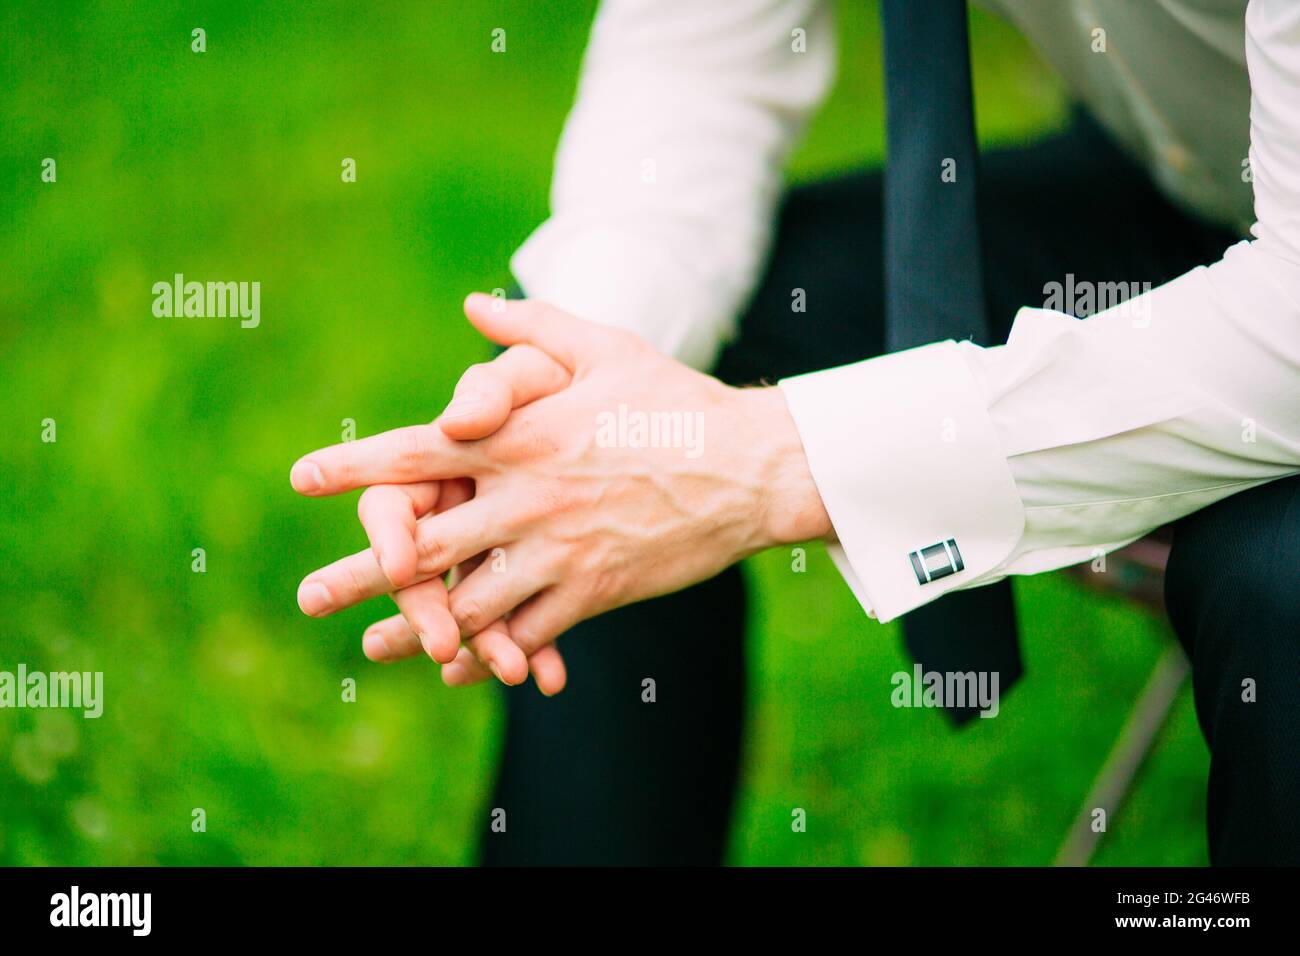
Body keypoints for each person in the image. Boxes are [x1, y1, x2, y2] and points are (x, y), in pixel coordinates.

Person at [292, 0, 1300, 865]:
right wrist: (567, 387)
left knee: (1277, 573)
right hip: (1182, 181)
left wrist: (770, 459)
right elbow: (696, 60)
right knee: (577, 437)